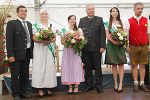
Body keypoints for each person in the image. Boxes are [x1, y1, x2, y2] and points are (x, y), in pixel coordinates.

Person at [6, 5, 34, 100]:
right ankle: (16, 94)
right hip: (16, 55)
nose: (24, 12)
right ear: (17, 13)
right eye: (22, 11)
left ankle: (23, 92)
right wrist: (10, 55)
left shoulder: (29, 24)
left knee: (25, 74)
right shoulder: (12, 23)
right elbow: (9, 40)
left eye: (25, 11)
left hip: (27, 53)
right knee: (15, 75)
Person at [78, 4, 106, 93]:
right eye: (89, 9)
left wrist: (102, 46)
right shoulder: (82, 20)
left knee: (98, 68)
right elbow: (78, 33)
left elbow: (102, 34)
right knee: (87, 68)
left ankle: (99, 85)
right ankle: (89, 85)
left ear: (94, 10)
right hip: (85, 48)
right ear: (86, 11)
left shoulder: (99, 19)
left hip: (97, 48)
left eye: (92, 9)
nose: (91, 10)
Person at [32, 9, 57, 97]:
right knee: (40, 67)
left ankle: (49, 87)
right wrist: (43, 41)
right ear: (40, 15)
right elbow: (34, 38)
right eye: (42, 14)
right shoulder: (35, 26)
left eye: (46, 14)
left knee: (49, 67)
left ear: (48, 15)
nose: (44, 15)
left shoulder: (51, 25)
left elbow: (54, 38)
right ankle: (40, 88)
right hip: (39, 49)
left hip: (49, 49)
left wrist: (48, 40)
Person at [127, 2, 150, 92]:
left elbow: (149, 33)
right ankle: (136, 83)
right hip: (133, 46)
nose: (140, 10)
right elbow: (127, 34)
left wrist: (149, 45)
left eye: (141, 9)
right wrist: (127, 45)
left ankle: (142, 83)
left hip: (144, 45)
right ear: (134, 9)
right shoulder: (129, 20)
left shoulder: (147, 20)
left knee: (143, 65)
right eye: (138, 8)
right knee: (134, 65)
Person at [104, 7, 127, 93]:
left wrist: (121, 41)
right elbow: (107, 35)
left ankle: (121, 83)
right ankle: (115, 83)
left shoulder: (122, 22)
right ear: (110, 13)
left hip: (120, 45)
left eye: (116, 11)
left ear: (118, 12)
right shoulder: (107, 23)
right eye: (113, 11)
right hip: (111, 45)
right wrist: (114, 41)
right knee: (114, 65)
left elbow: (124, 34)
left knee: (121, 64)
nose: (115, 12)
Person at [61, 15, 84, 94]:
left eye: (74, 19)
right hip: (67, 51)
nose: (72, 20)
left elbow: (82, 41)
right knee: (68, 67)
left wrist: (76, 43)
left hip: (75, 51)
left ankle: (76, 86)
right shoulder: (65, 29)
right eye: (71, 19)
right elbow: (62, 41)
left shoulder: (79, 30)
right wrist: (68, 43)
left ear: (75, 20)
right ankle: (70, 86)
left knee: (76, 67)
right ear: (68, 20)